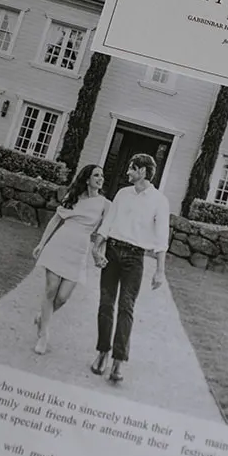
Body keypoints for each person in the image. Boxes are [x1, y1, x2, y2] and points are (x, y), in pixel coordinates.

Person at [90, 153, 170, 386]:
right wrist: (97, 249)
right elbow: (108, 224)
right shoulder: (123, 194)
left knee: (126, 307)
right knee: (106, 304)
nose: (128, 173)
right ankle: (102, 352)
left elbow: (161, 238)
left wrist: (160, 271)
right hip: (113, 253)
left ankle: (118, 360)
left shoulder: (159, 201)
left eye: (132, 169)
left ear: (143, 171)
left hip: (135, 259)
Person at [30, 164, 108, 355]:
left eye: (102, 176)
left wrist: (99, 253)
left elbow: (105, 232)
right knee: (50, 290)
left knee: (63, 297)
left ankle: (42, 316)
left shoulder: (106, 204)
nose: (100, 179)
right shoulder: (73, 197)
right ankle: (44, 335)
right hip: (60, 243)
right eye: (96, 175)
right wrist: (41, 243)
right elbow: (56, 220)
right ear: (87, 179)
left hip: (80, 249)